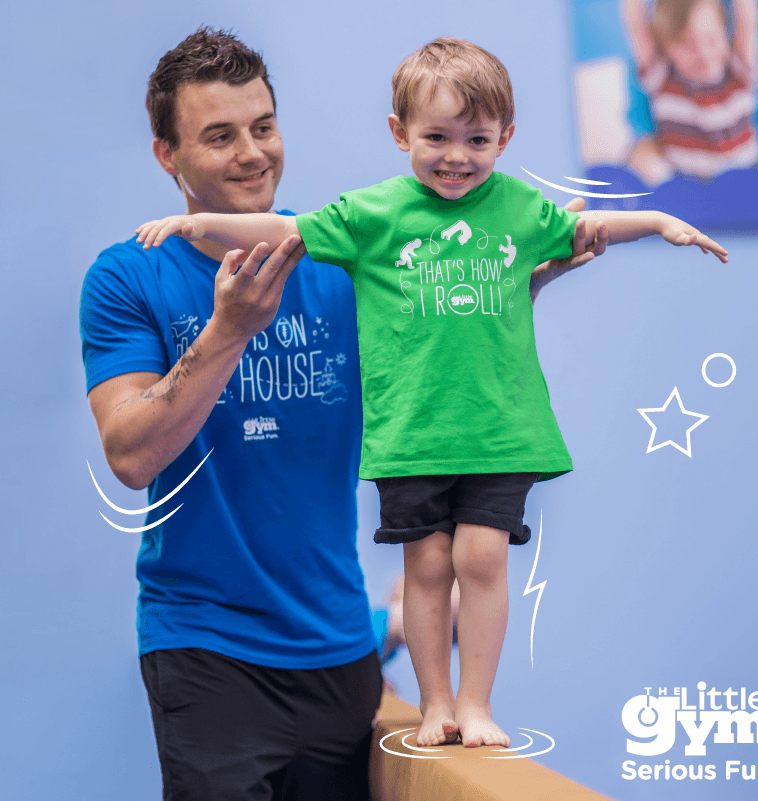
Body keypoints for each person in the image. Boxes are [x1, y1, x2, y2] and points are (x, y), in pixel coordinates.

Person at [136, 36, 727, 751]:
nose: (457, 157)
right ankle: (436, 704)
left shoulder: (518, 208)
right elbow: (286, 231)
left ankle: (475, 702)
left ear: (505, 137)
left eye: (477, 140)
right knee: (426, 564)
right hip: (413, 435)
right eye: (438, 138)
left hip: (500, 430)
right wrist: (199, 223)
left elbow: (585, 227)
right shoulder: (374, 216)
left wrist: (659, 223)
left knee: (480, 559)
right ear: (400, 133)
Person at [81, 28, 605, 799]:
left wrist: (520, 283)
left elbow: (439, 355)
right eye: (220, 136)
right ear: (168, 154)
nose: (252, 154)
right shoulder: (128, 276)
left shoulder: (343, 260)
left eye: (263, 127)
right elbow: (131, 456)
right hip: (208, 648)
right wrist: (228, 332)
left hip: (338, 650)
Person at [623, 0, 758, 185]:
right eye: (687, 45)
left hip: (747, 179)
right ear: (665, 47)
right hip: (686, 186)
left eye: (712, 39)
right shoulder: (661, 77)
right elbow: (635, 22)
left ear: (725, 32)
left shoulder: (739, 70)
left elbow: (748, 20)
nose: (703, 53)